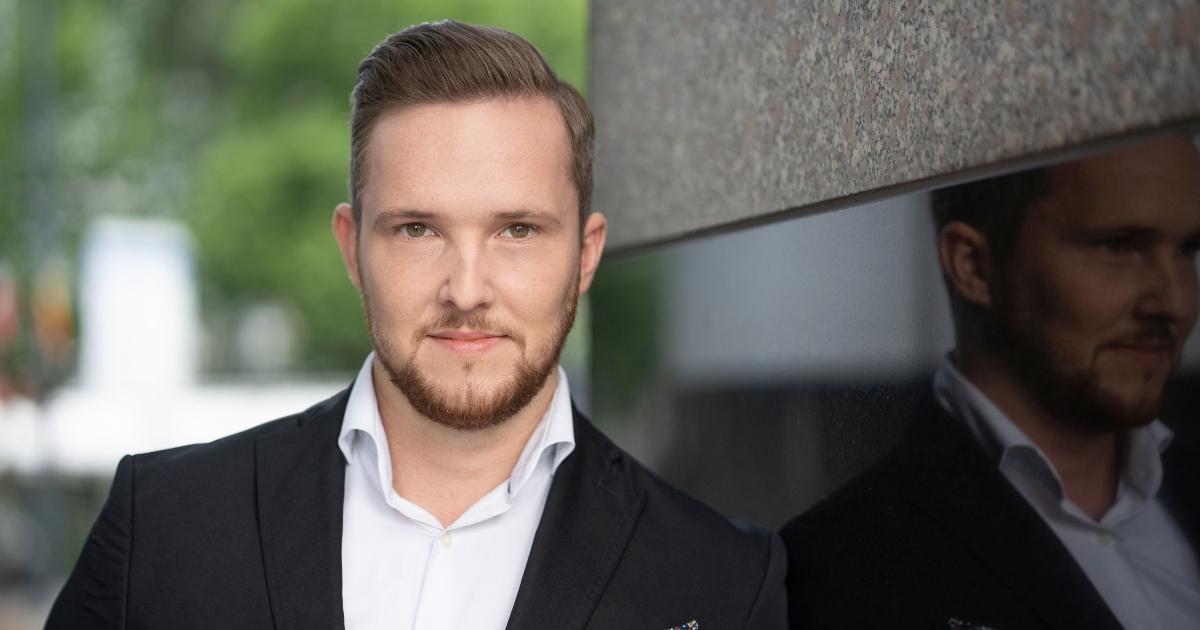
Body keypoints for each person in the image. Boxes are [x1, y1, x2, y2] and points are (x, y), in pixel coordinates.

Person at [47, 21, 786, 629]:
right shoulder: (163, 527)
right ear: (352, 248)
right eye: (417, 230)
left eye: (518, 230)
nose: (466, 290)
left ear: (585, 256)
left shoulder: (723, 583)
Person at [782, 134, 1200, 629]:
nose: (1174, 302)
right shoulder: (844, 569)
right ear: (973, 266)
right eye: (1118, 246)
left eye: (1187, 250)